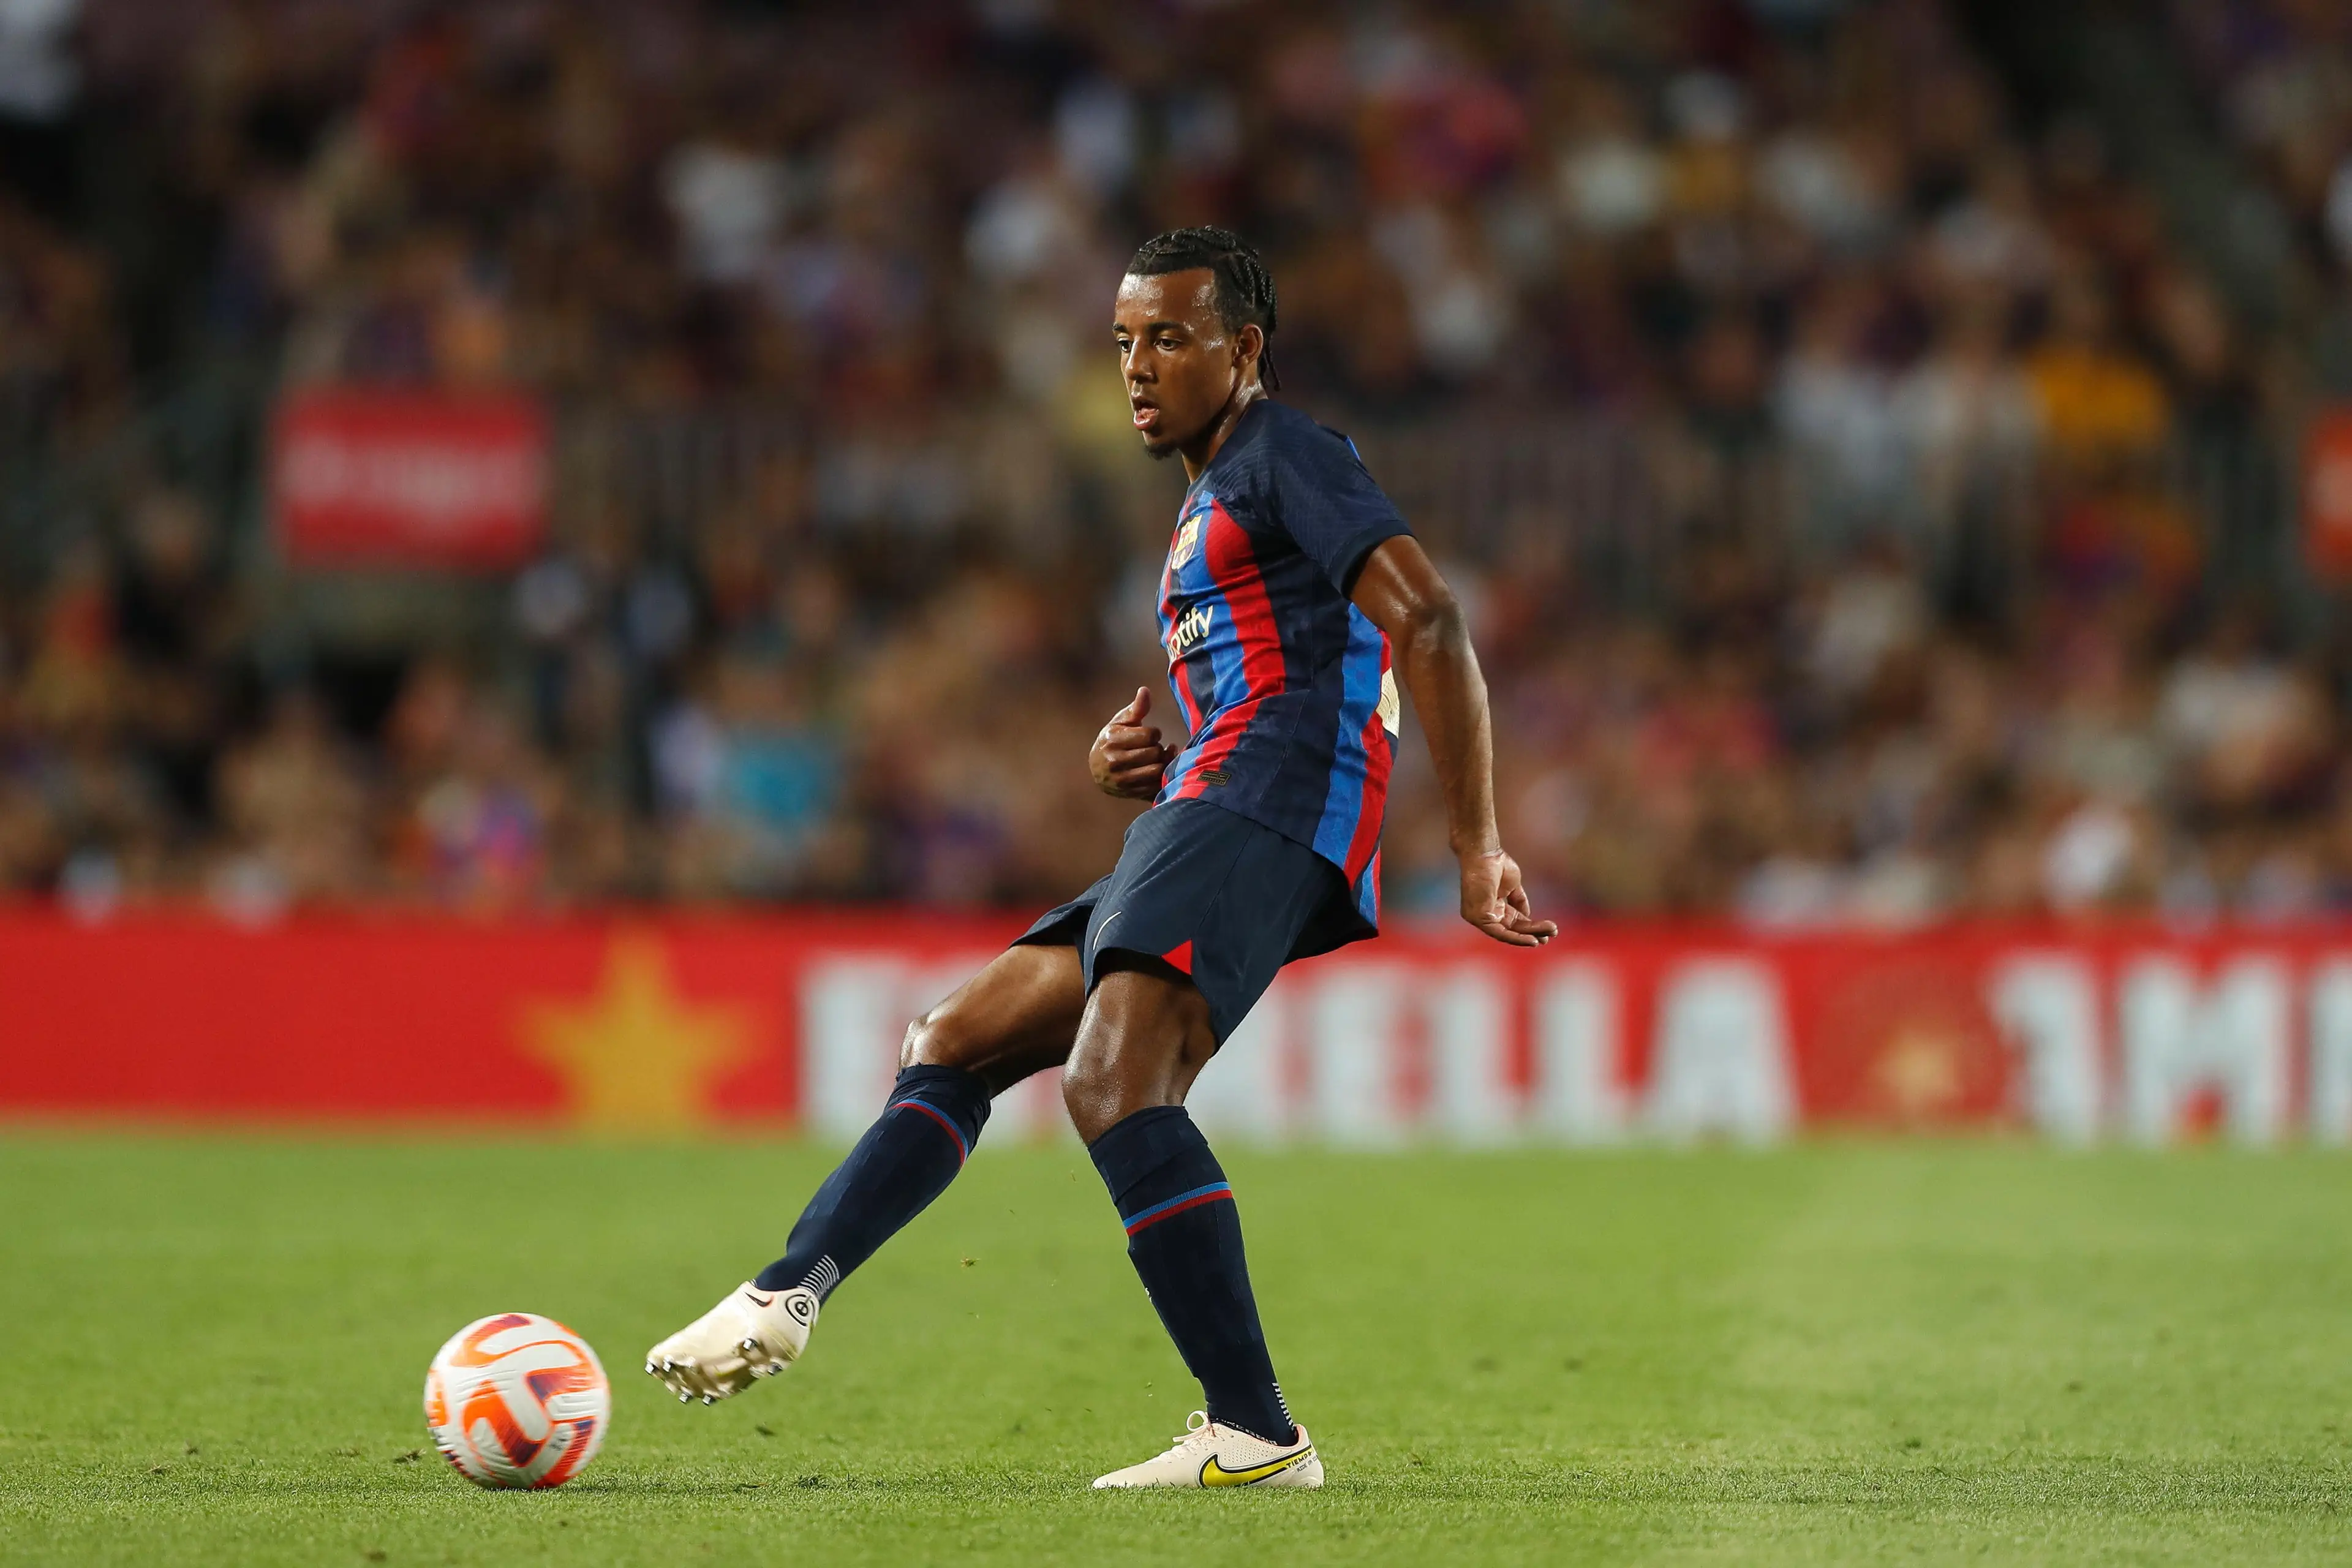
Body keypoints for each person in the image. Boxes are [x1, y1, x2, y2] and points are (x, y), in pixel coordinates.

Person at [645, 227, 1555, 1488]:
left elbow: (1432, 619)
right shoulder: (1205, 502)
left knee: (1116, 1083)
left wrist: (1473, 844)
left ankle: (1256, 1429)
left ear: (1244, 349)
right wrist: (1132, 758)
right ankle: (783, 1291)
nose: (1139, 365)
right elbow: (1287, 663)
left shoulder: (1287, 451)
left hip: (1265, 804)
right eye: (1125, 340)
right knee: (954, 1037)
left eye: (1171, 338)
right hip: (1211, 796)